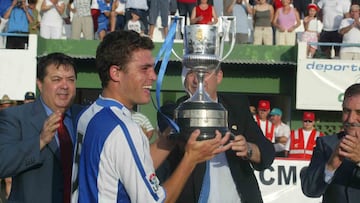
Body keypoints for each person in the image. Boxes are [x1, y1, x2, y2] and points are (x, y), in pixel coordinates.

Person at [72, 30, 231, 202]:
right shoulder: (124, 129)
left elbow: (131, 168)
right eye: (144, 69)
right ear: (115, 73)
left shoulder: (88, 114)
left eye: (153, 69)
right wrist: (191, 159)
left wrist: (169, 138)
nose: (153, 76)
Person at [163, 67, 275, 202]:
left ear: (219, 76)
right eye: (191, 72)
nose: (198, 79)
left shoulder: (236, 106)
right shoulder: (175, 112)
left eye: (206, 72)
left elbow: (267, 153)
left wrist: (248, 149)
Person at [0, 53, 82, 203]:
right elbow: (3, 164)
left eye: (70, 80)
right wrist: (40, 141)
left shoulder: (84, 116)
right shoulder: (15, 117)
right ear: (40, 84)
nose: (65, 85)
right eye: (56, 79)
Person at [301, 83, 360, 203]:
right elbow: (310, 190)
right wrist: (331, 165)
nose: (350, 119)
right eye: (346, 111)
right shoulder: (326, 144)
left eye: (359, 112)